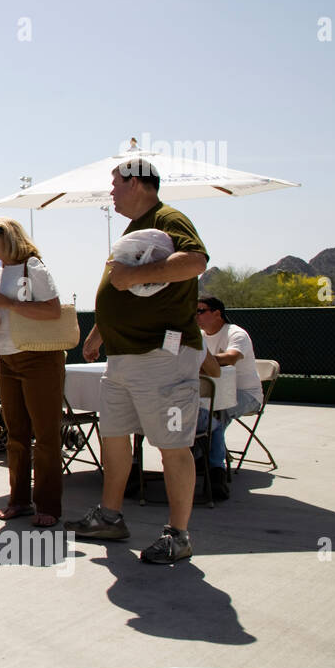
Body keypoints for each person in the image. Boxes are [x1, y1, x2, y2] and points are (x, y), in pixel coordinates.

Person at [72, 157, 209, 564]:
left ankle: (179, 535)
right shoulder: (135, 228)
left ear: (138, 183)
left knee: (172, 445)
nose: (111, 191)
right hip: (124, 356)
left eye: (115, 183)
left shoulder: (169, 217)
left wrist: (132, 277)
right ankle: (110, 517)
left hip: (161, 356)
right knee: (112, 436)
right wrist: (100, 332)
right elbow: (118, 293)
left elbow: (196, 261)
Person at [0, 218, 66, 527]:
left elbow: (53, 310)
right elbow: (14, 313)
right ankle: (19, 500)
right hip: (9, 358)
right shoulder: (5, 271)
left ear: (8, 237)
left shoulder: (33, 266)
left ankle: (49, 505)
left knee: (45, 436)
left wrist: (8, 304)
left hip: (39, 357)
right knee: (15, 435)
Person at [196, 295, 264, 500]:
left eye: (200, 311)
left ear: (217, 313)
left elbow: (231, 357)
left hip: (245, 395)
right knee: (196, 411)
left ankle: (216, 471)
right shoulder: (199, 335)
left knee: (217, 413)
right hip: (212, 395)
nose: (196, 316)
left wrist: (201, 360)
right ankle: (203, 457)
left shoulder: (236, 333)